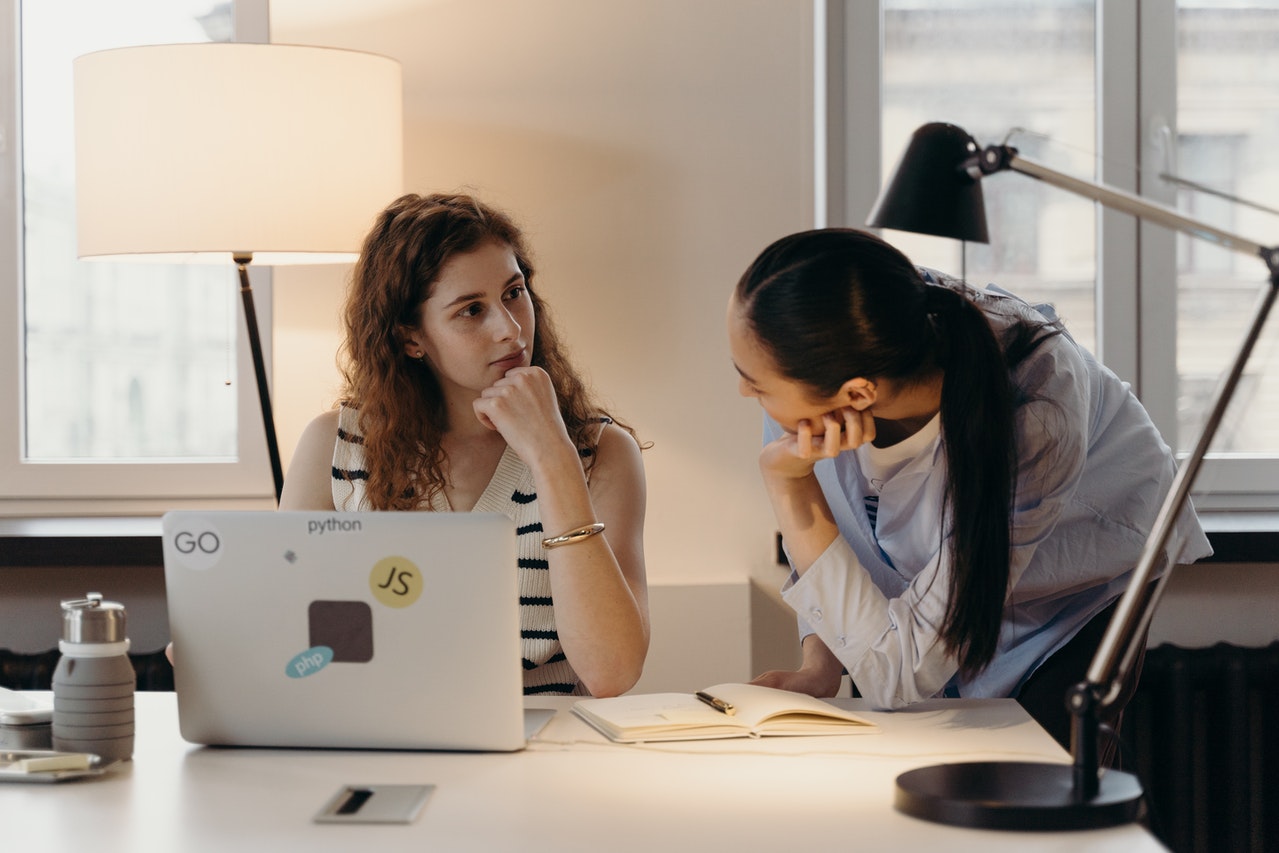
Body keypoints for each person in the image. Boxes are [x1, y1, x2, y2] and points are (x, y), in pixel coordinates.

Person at [727, 227, 1211, 757]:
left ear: (858, 393)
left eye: (754, 382)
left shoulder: (1035, 413)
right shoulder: (829, 368)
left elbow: (898, 673)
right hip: (917, 599)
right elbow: (836, 543)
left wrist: (788, 486)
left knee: (1036, 787)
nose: (744, 391)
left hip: (1066, 594)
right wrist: (822, 663)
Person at [282, 192, 650, 698]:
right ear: (412, 338)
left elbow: (612, 672)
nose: (511, 329)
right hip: (381, 736)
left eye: (513, 293)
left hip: (549, 753)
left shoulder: (602, 452)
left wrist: (552, 457)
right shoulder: (336, 447)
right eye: (471, 310)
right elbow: (293, 638)